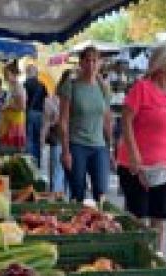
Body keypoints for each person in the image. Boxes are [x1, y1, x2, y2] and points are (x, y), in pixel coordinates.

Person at [117, 44, 166, 253]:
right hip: (137, 165)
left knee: (160, 216)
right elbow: (126, 121)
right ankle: (132, 255)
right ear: (163, 65)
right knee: (137, 215)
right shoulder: (142, 89)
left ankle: (156, 256)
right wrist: (134, 154)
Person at [58, 46, 113, 204]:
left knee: (101, 192)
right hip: (77, 145)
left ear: (100, 63)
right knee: (78, 192)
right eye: (87, 60)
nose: (91, 64)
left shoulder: (103, 88)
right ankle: (77, 219)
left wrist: (110, 148)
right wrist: (65, 151)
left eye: (94, 61)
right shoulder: (71, 85)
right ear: (81, 63)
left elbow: (107, 119)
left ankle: (100, 219)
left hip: (99, 146)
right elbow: (63, 121)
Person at [0, 61, 27, 148]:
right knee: (7, 148)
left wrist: (7, 106)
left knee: (12, 149)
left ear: (14, 74)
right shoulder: (12, 86)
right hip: (9, 121)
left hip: (15, 123)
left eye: (6, 74)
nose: (5, 76)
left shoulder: (18, 87)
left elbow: (22, 107)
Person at [24, 65, 48, 167]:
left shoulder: (25, 85)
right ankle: (38, 162)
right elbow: (46, 101)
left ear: (28, 73)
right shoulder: (42, 85)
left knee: (29, 139)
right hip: (40, 114)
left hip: (29, 113)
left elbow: (24, 101)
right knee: (38, 139)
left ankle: (30, 164)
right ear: (36, 73)